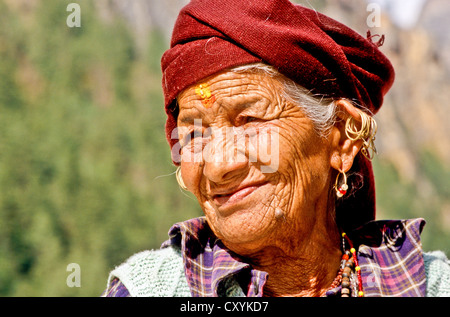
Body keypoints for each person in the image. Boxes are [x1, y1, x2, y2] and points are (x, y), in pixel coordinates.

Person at [103, 0, 450, 297]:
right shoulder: (151, 289)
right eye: (194, 135)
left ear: (342, 138)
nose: (220, 165)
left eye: (250, 119)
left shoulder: (427, 284)